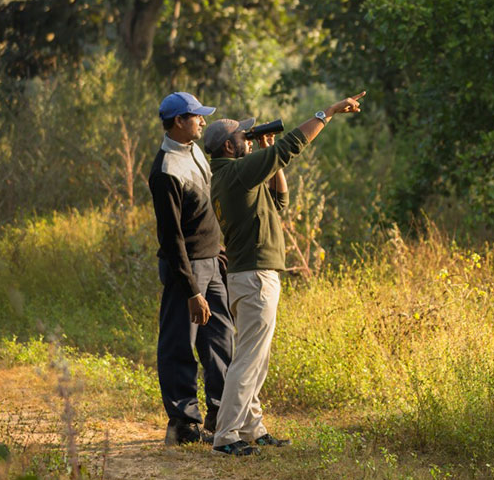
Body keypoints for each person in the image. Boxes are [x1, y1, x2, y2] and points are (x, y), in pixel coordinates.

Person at [204, 91, 366, 456]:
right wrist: (328, 113)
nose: (248, 141)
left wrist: (267, 153)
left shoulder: (231, 176)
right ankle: (226, 436)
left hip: (249, 276)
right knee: (248, 358)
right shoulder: (235, 174)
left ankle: (251, 426)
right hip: (255, 276)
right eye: (243, 138)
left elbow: (279, 203)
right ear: (229, 146)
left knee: (254, 356)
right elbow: (290, 147)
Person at [147, 92, 235, 446]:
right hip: (187, 268)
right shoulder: (166, 170)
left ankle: (219, 412)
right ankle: (182, 424)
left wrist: (218, 248)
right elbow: (171, 239)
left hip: (211, 260)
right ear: (179, 121)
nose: (203, 121)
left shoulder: (195, 151)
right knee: (180, 343)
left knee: (221, 338)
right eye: (196, 116)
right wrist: (192, 291)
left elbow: (203, 211)